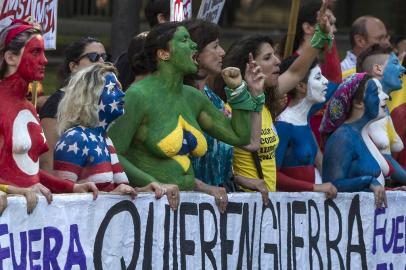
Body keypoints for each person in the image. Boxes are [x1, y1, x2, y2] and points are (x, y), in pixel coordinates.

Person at [108, 22, 264, 212]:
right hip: (148, 208)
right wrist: (154, 183)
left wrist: (238, 90)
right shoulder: (137, 96)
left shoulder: (193, 97)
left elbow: (239, 136)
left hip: (184, 211)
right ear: (163, 53)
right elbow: (114, 154)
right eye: (184, 40)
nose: (194, 46)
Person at [222, 1, 336, 201]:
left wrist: (322, 35)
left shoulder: (265, 99)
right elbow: (219, 163)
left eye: (275, 55)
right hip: (241, 204)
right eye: (268, 57)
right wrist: (241, 179)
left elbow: (297, 70)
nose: (277, 61)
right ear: (248, 65)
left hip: (267, 205)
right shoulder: (231, 109)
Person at [0, 20, 98, 209]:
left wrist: (72, 187)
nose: (45, 60)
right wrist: (11, 189)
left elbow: (29, 171)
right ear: (11, 57)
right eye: (36, 52)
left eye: (44, 53)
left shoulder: (29, 107)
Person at [53, 63, 178, 207]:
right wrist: (111, 196)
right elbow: (61, 199)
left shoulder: (106, 140)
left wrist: (143, 191)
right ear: (91, 95)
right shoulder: (74, 138)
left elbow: (112, 189)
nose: (122, 94)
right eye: (113, 89)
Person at [182, 19, 264, 210]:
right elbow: (169, 167)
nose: (223, 52)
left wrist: (255, 94)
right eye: (215, 46)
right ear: (195, 53)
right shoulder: (177, 99)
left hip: (219, 205)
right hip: (188, 206)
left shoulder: (215, 101)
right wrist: (204, 187)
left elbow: (251, 142)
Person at [40, 36, 107, 173]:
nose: (101, 62)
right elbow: (48, 163)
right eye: (93, 57)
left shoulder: (105, 101)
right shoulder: (56, 103)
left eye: (104, 56)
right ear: (73, 66)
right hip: (68, 190)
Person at [321, 73, 389, 208]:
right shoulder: (342, 137)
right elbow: (331, 185)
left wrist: (394, 193)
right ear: (358, 103)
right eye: (377, 92)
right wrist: (367, 181)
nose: (386, 96)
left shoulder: (362, 134)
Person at [274, 57, 336, 197]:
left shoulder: (303, 120)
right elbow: (272, 175)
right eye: (318, 77)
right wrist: (314, 187)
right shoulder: (284, 125)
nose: (326, 81)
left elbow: (336, 85)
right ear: (300, 86)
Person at [356, 44, 406, 184]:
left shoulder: (382, 105)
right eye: (396, 63)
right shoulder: (367, 107)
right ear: (378, 68)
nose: (403, 68)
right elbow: (386, 160)